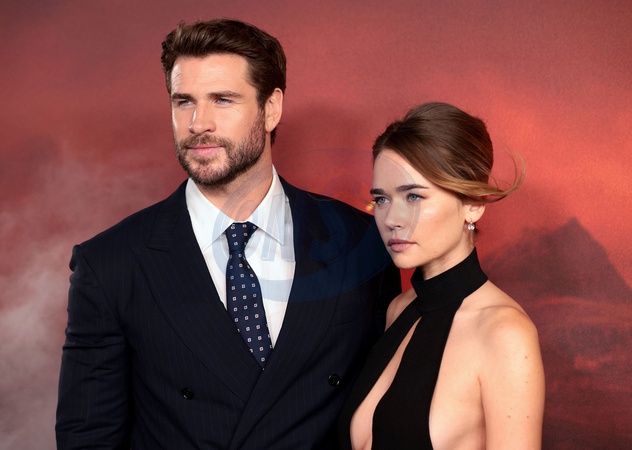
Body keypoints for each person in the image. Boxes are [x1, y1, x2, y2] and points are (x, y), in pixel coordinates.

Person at [55, 18, 401, 450]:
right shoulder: (110, 263)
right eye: (184, 102)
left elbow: (390, 412)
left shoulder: (363, 241)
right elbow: (88, 439)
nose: (198, 122)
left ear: (271, 108)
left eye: (222, 100)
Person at [338, 102, 545, 449]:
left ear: (473, 203)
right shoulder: (399, 309)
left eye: (413, 196)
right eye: (382, 199)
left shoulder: (504, 333)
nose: (392, 220)